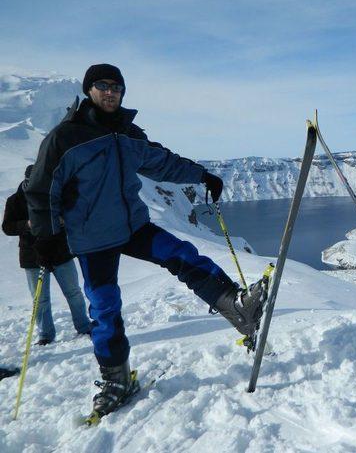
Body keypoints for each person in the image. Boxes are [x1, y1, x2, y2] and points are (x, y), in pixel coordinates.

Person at [24, 64, 265, 416]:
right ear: (89, 90)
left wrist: (202, 175)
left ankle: (236, 306)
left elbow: (162, 163)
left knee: (182, 255)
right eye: (103, 86)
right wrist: (44, 237)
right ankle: (115, 379)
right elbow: (42, 190)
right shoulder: (65, 138)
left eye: (117, 88)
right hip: (92, 239)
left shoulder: (127, 132)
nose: (111, 93)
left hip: (132, 226)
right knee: (105, 309)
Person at [3, 165, 92, 345]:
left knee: (73, 291)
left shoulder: (53, 194)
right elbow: (7, 227)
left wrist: (63, 220)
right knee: (40, 299)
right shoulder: (15, 200)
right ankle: (45, 335)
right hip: (32, 255)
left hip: (59, 251)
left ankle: (84, 326)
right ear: (26, 180)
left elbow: (73, 214)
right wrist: (26, 225)